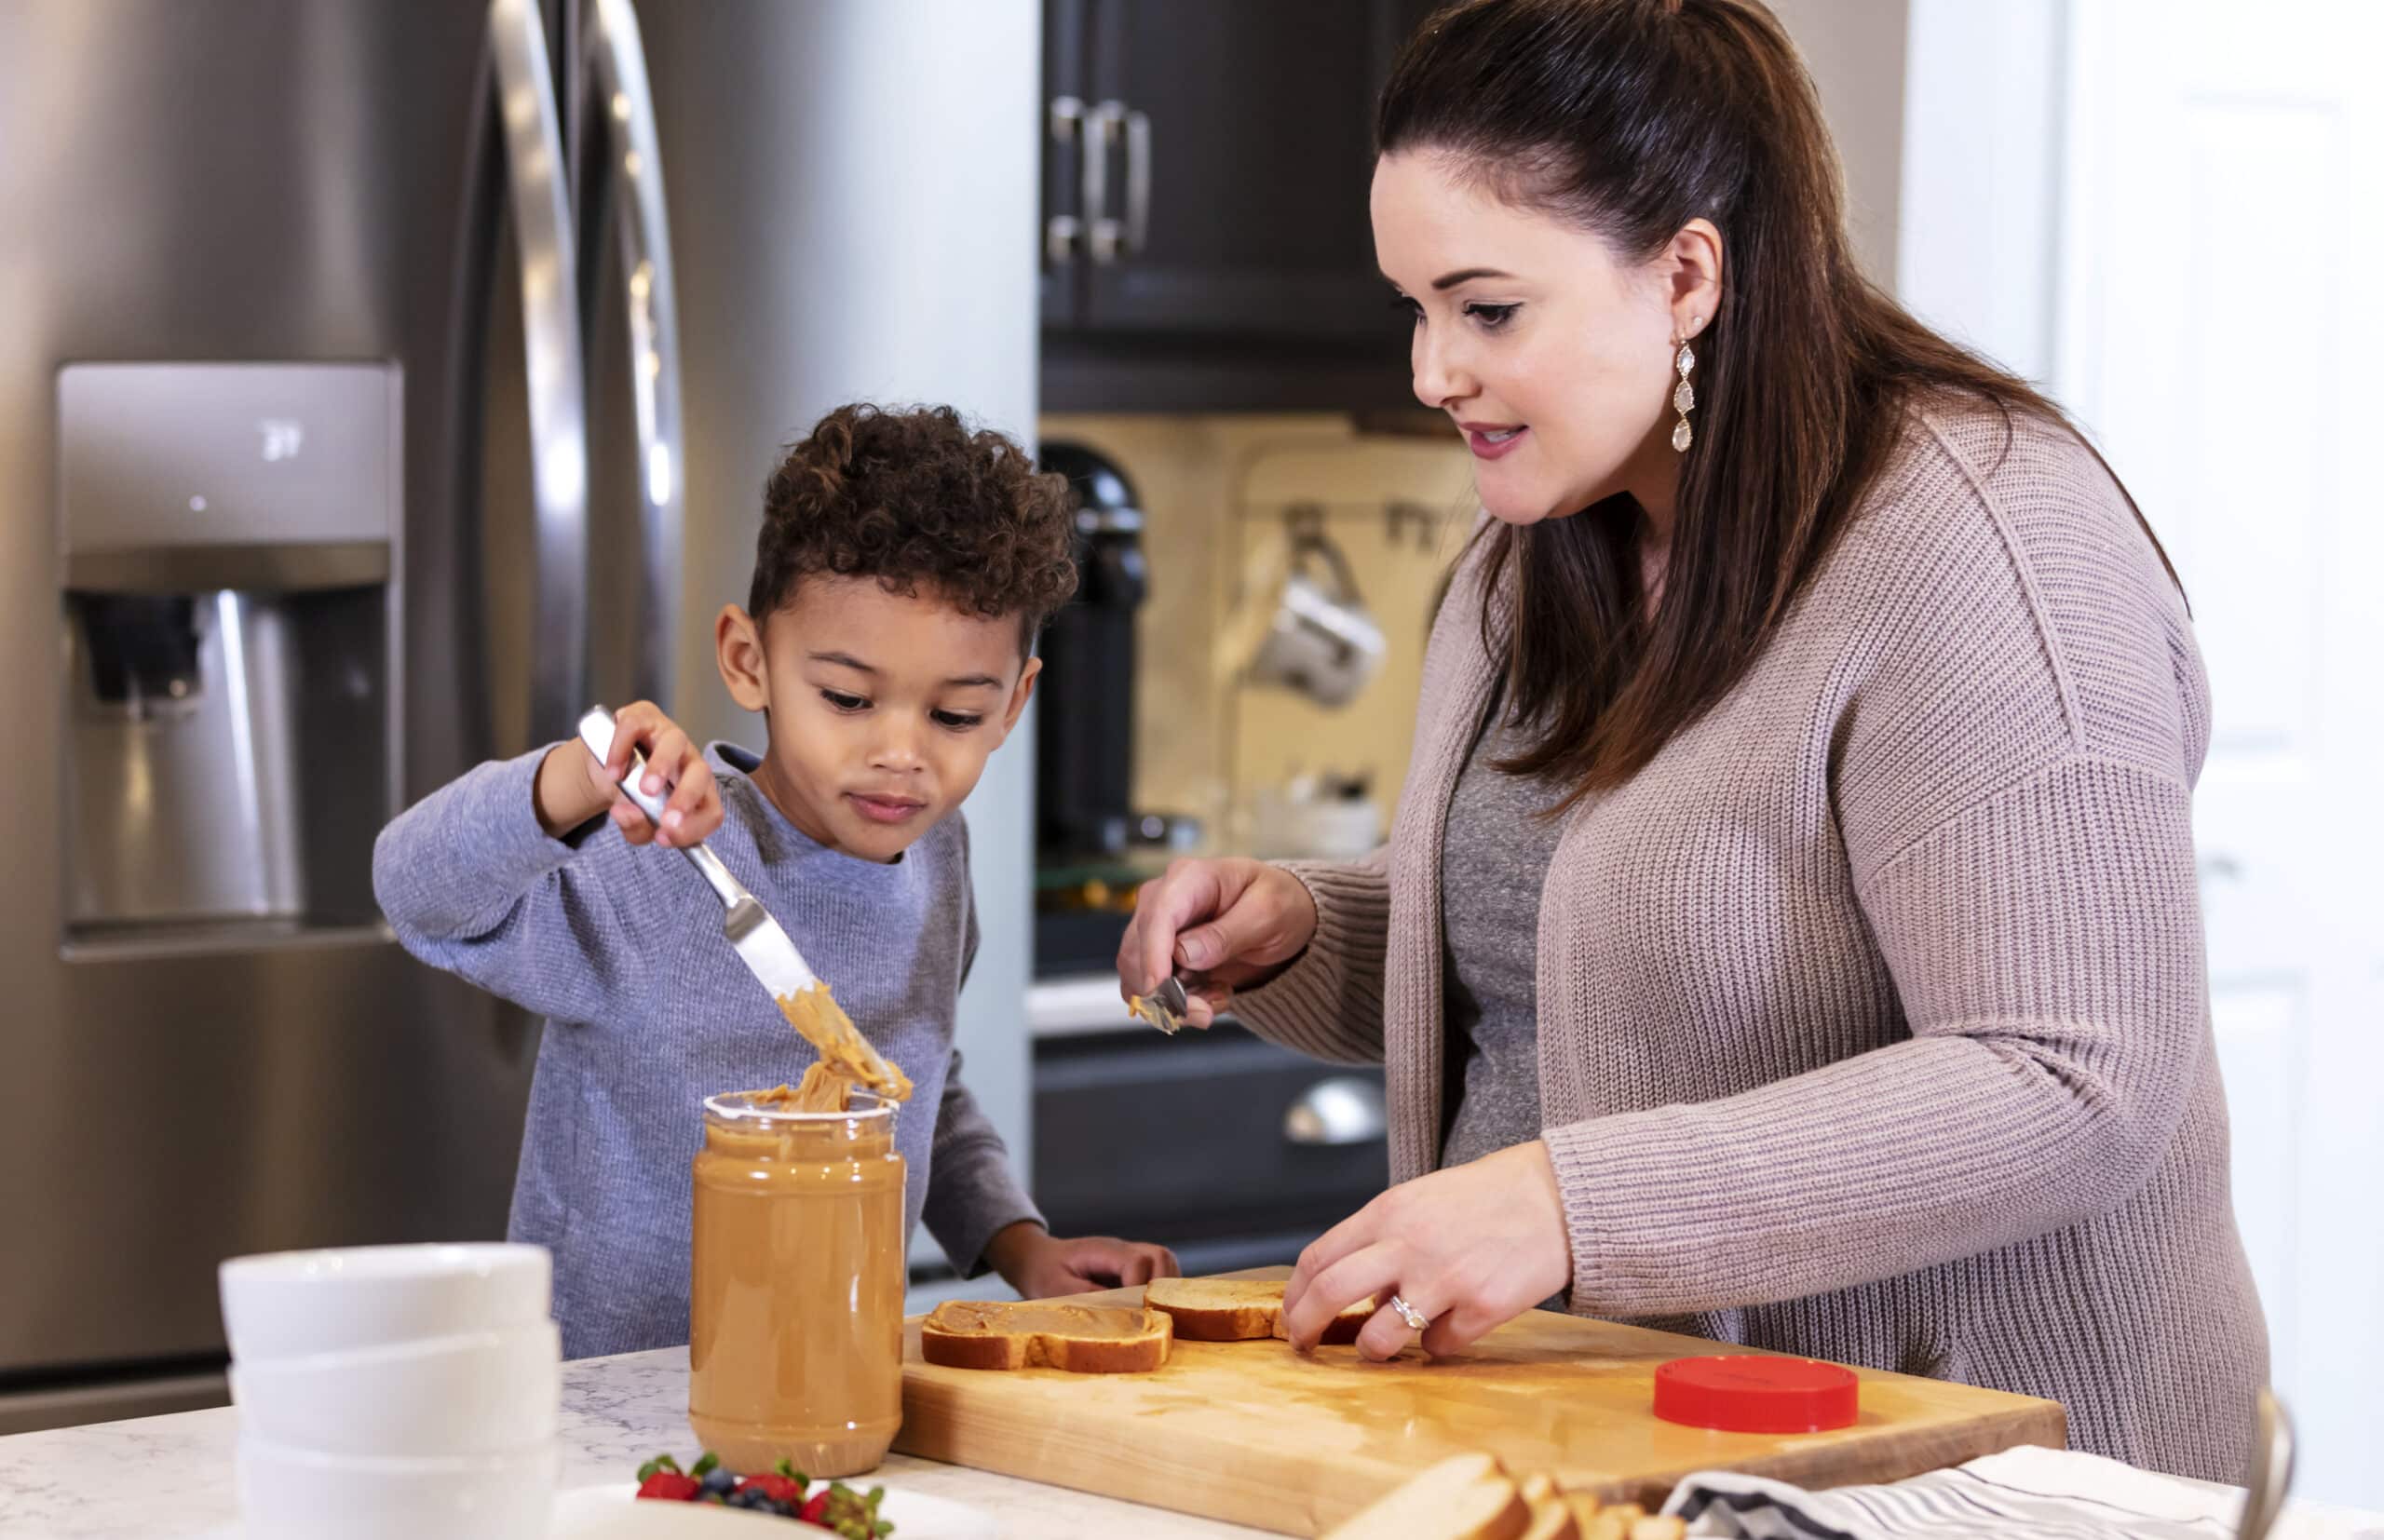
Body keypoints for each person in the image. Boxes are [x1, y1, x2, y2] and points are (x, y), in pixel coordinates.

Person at [1118, 0, 2263, 1480]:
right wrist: (1309, 929)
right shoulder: (1536, 555)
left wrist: (1571, 1204)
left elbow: (2072, 1072)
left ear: (1687, 275)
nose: (1431, 370)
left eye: (1486, 308)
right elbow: (1591, 954)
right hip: (1608, 1446)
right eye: (1415, 307)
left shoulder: (1987, 543)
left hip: (1988, 1477)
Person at [378, 402, 1179, 1358]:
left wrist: (1020, 1245)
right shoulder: (655, 857)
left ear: (1014, 704)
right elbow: (414, 890)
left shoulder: (938, 855)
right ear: (747, 661)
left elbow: (918, 1083)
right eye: (846, 698)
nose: (899, 755)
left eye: (955, 715)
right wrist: (577, 778)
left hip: (831, 1383)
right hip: (610, 1412)